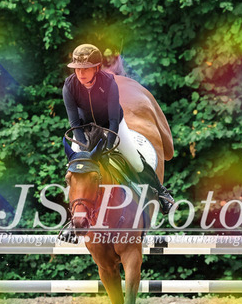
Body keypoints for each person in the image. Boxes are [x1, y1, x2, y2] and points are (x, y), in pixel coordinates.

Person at [62, 43, 174, 214]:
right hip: (84, 128)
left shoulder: (109, 83)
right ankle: (75, 213)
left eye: (85, 69)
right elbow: (74, 122)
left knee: (136, 163)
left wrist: (106, 149)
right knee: (75, 167)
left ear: (97, 68)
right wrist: (85, 150)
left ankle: (162, 193)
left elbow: (114, 120)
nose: (80, 74)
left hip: (113, 125)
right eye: (77, 69)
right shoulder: (69, 86)